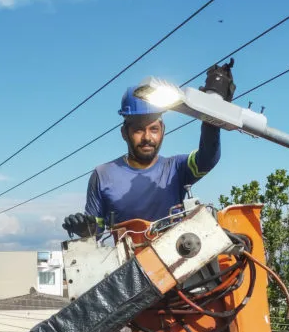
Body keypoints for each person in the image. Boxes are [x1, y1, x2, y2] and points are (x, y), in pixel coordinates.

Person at [62, 59, 237, 238]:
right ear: (124, 133)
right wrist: (85, 228)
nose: (147, 137)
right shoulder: (103, 175)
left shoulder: (176, 168)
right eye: (138, 129)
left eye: (153, 129)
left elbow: (208, 158)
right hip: (129, 264)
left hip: (176, 261)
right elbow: (96, 229)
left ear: (163, 131)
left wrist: (212, 111)